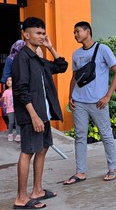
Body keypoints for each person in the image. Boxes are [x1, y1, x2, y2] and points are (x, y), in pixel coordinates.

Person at [12, 17, 68, 209]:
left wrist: (50, 47)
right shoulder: (22, 58)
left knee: (43, 149)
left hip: (42, 114)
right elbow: (21, 89)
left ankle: (37, 190)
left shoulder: (38, 59)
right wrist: (34, 116)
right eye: (38, 33)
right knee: (27, 152)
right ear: (26, 35)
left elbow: (61, 66)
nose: (42, 36)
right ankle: (21, 198)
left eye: (43, 33)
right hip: (31, 116)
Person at [64, 21, 116, 185]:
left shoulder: (102, 49)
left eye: (78, 31)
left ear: (87, 31)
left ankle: (112, 168)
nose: (75, 35)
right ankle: (80, 172)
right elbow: (74, 77)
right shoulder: (76, 54)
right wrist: (70, 97)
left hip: (98, 102)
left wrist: (108, 95)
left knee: (106, 134)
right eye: (74, 32)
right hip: (79, 102)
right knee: (80, 136)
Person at [1, 76, 21, 142]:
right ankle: (10, 134)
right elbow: (5, 100)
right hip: (10, 109)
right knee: (11, 122)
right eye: (7, 80)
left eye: (10, 80)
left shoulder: (17, 90)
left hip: (17, 109)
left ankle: (18, 135)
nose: (9, 82)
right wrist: (5, 104)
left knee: (17, 122)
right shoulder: (6, 91)